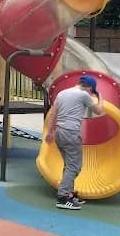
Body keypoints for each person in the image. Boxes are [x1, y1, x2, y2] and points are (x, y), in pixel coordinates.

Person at [44, 74, 104, 210]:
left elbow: (53, 113)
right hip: (71, 134)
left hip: (59, 132)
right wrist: (100, 98)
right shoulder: (83, 95)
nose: (90, 93)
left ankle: (69, 193)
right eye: (91, 90)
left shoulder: (62, 93)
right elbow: (99, 111)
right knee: (74, 166)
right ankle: (63, 197)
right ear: (89, 87)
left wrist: (50, 132)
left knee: (69, 165)